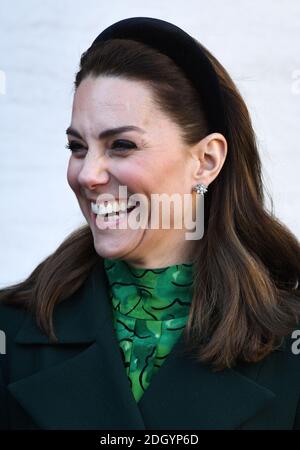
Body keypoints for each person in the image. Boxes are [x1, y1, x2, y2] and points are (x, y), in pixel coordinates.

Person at [1, 16, 300, 430]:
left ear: (206, 161)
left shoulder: (288, 343)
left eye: (121, 145)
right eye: (77, 146)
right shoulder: (11, 331)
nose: (87, 174)